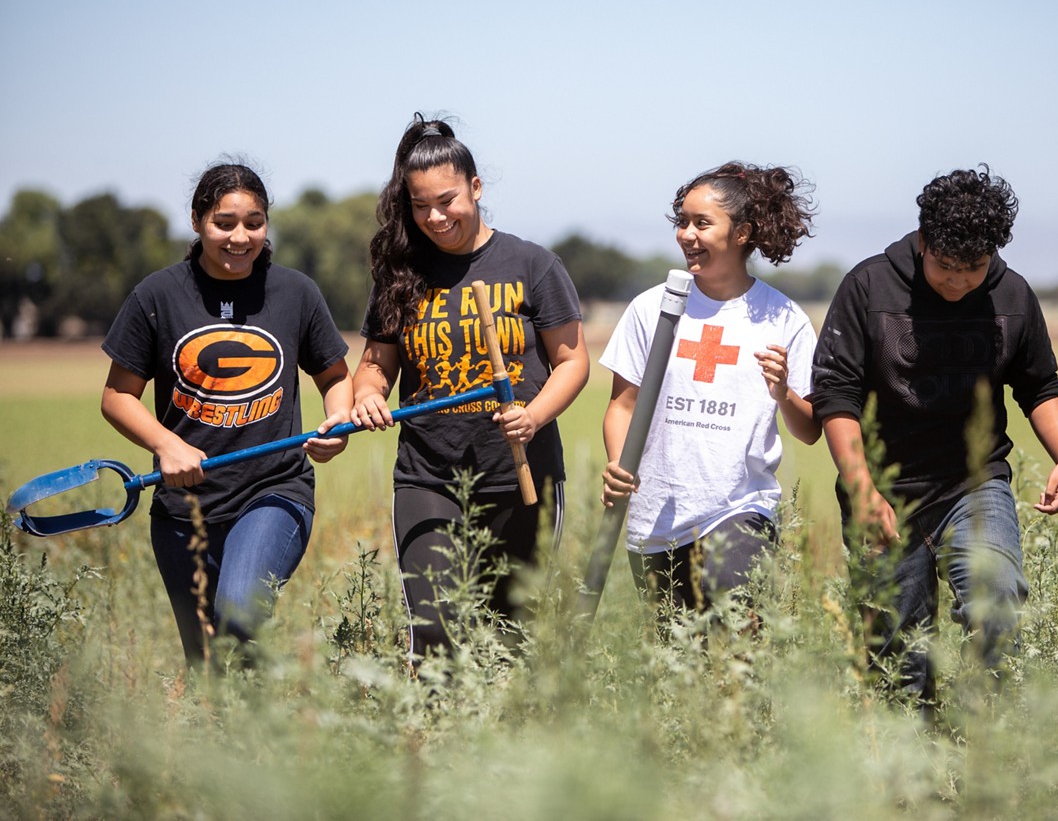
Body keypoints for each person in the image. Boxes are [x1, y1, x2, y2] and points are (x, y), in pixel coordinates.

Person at [809, 165, 1058, 704]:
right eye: (946, 267)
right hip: (883, 489)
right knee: (896, 656)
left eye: (974, 268)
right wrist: (863, 491)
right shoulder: (868, 287)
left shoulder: (1013, 296)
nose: (958, 281)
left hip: (973, 486)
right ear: (922, 239)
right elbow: (835, 394)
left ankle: (983, 738)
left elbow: (1039, 383)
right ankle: (911, 772)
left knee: (998, 600)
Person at [351, 114, 589, 664]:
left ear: (476, 188)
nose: (434, 217)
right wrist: (368, 394)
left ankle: (506, 744)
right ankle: (435, 742)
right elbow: (374, 366)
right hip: (428, 474)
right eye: (419, 205)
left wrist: (533, 416)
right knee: (435, 631)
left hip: (520, 473)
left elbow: (573, 361)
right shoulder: (401, 274)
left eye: (447, 200)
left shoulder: (533, 264)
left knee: (511, 635)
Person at [100, 163, 354, 664]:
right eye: (225, 222)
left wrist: (337, 425)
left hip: (273, 491)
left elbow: (336, 378)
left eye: (254, 223)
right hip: (181, 508)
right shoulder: (157, 295)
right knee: (210, 663)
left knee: (239, 615)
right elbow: (117, 396)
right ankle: (256, 736)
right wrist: (165, 445)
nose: (240, 237)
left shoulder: (296, 293)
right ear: (197, 222)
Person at [600, 162, 821, 615]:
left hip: (739, 509)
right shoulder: (651, 308)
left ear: (742, 233)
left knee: (734, 630)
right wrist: (619, 466)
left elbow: (810, 428)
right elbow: (622, 406)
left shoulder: (782, 317)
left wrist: (783, 393)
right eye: (682, 221)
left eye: (702, 223)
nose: (686, 234)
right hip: (654, 517)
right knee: (670, 659)